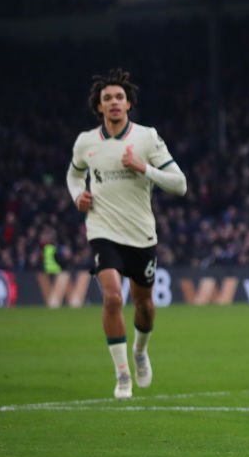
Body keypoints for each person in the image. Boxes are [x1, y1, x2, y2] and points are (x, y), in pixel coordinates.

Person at [66, 68, 187, 400]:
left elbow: (180, 184)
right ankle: (122, 376)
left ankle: (140, 352)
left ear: (129, 104)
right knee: (112, 298)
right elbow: (74, 176)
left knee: (143, 304)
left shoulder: (147, 138)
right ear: (100, 107)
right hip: (102, 229)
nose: (114, 102)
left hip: (141, 234)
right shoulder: (85, 143)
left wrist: (143, 168)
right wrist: (78, 196)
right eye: (108, 98)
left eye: (120, 97)